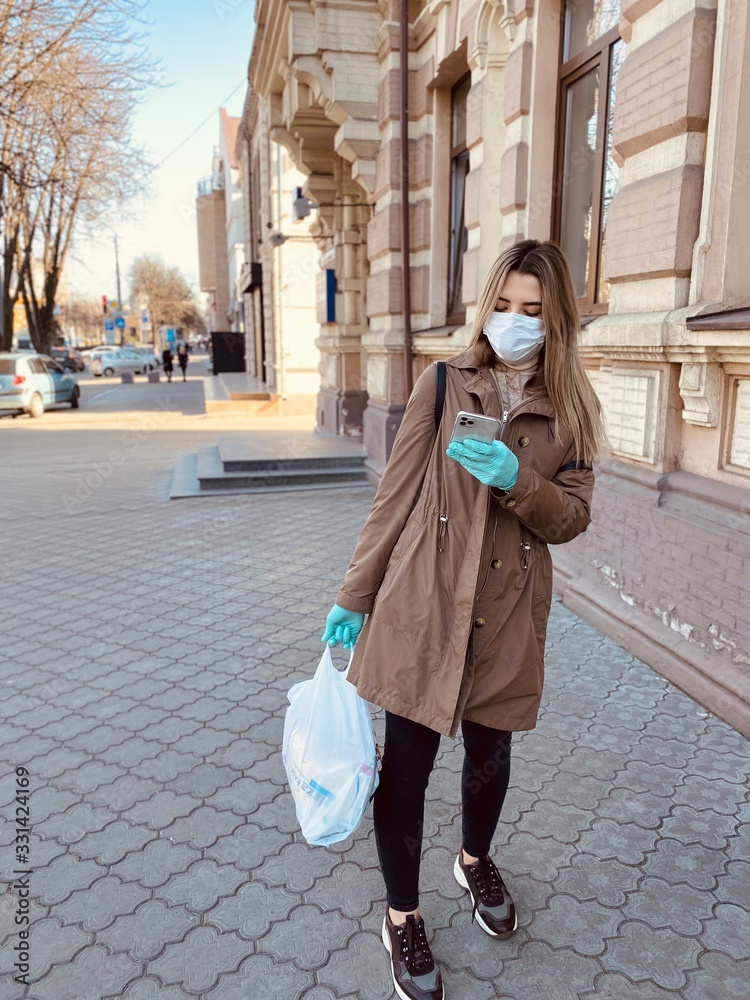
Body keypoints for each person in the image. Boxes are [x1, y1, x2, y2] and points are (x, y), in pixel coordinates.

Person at [321, 240, 605, 1000]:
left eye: (533, 311)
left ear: (557, 320)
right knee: (406, 774)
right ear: (487, 307)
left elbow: (572, 518)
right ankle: (402, 914)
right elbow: (396, 495)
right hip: (424, 605)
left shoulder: (574, 406)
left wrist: (521, 481)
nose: (515, 322)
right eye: (504, 306)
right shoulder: (444, 382)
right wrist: (355, 595)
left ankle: (475, 860)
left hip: (509, 611)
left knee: (491, 760)